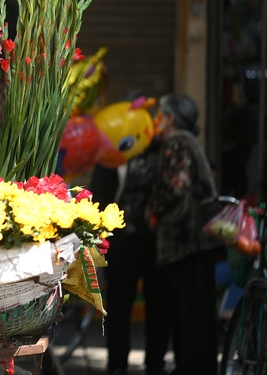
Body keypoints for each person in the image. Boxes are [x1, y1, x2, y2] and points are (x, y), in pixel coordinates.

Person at [90, 99, 170, 375]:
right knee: (119, 307)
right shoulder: (114, 149)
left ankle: (156, 364)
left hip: (155, 241)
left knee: (158, 306)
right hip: (122, 242)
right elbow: (99, 193)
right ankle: (117, 365)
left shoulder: (161, 149)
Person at [145, 93, 223, 374]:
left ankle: (191, 367)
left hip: (186, 241)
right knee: (198, 310)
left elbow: (175, 186)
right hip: (196, 241)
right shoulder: (188, 142)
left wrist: (152, 210)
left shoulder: (176, 142)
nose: (156, 121)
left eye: (161, 115)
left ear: (171, 119)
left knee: (188, 312)